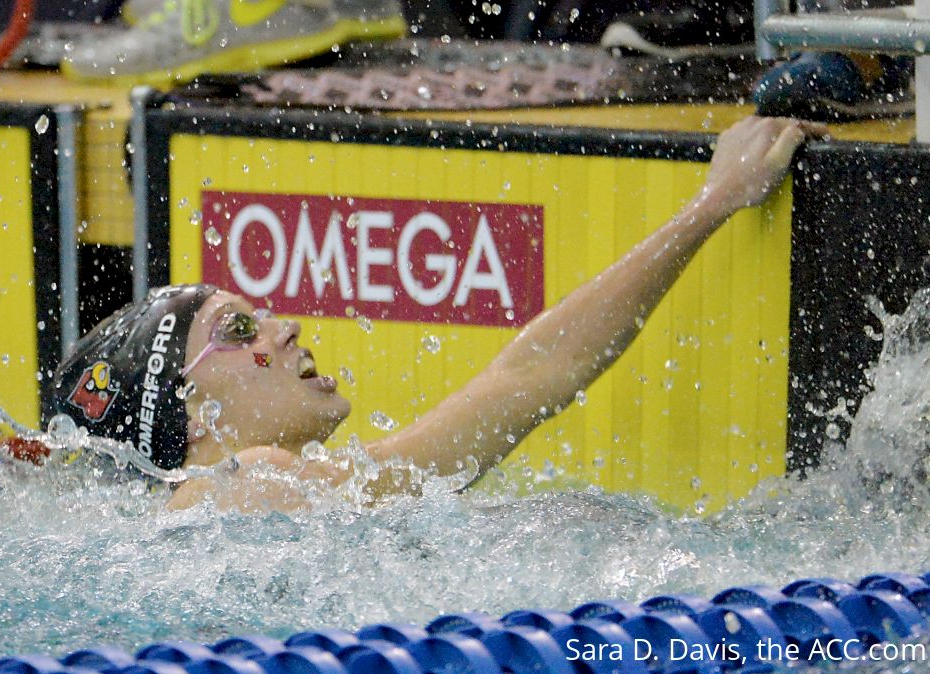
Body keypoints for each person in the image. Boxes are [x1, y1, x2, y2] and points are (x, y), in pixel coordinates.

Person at [49, 115, 824, 512]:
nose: (283, 327)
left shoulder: (311, 490)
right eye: (239, 330)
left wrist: (715, 202)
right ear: (188, 411)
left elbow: (534, 375)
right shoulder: (240, 487)